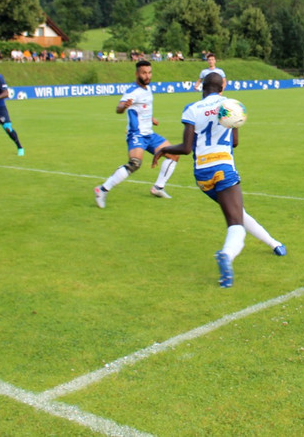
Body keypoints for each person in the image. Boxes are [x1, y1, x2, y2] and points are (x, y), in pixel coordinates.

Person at [154, 73, 286, 288]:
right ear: (221, 87)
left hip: (202, 174)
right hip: (223, 168)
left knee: (239, 213)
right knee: (236, 224)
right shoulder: (230, 105)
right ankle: (227, 255)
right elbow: (235, 142)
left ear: (203, 88)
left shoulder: (192, 109)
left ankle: (274, 243)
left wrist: (164, 149)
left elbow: (186, 148)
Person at [94, 60, 179, 207]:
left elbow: (142, 108)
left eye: (149, 72)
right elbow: (119, 108)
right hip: (137, 134)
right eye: (144, 73)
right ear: (137, 74)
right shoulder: (132, 91)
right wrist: (123, 106)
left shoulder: (147, 89)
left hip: (149, 134)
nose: (147, 76)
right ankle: (102, 190)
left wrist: (151, 119)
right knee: (135, 163)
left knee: (174, 155)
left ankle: (158, 188)